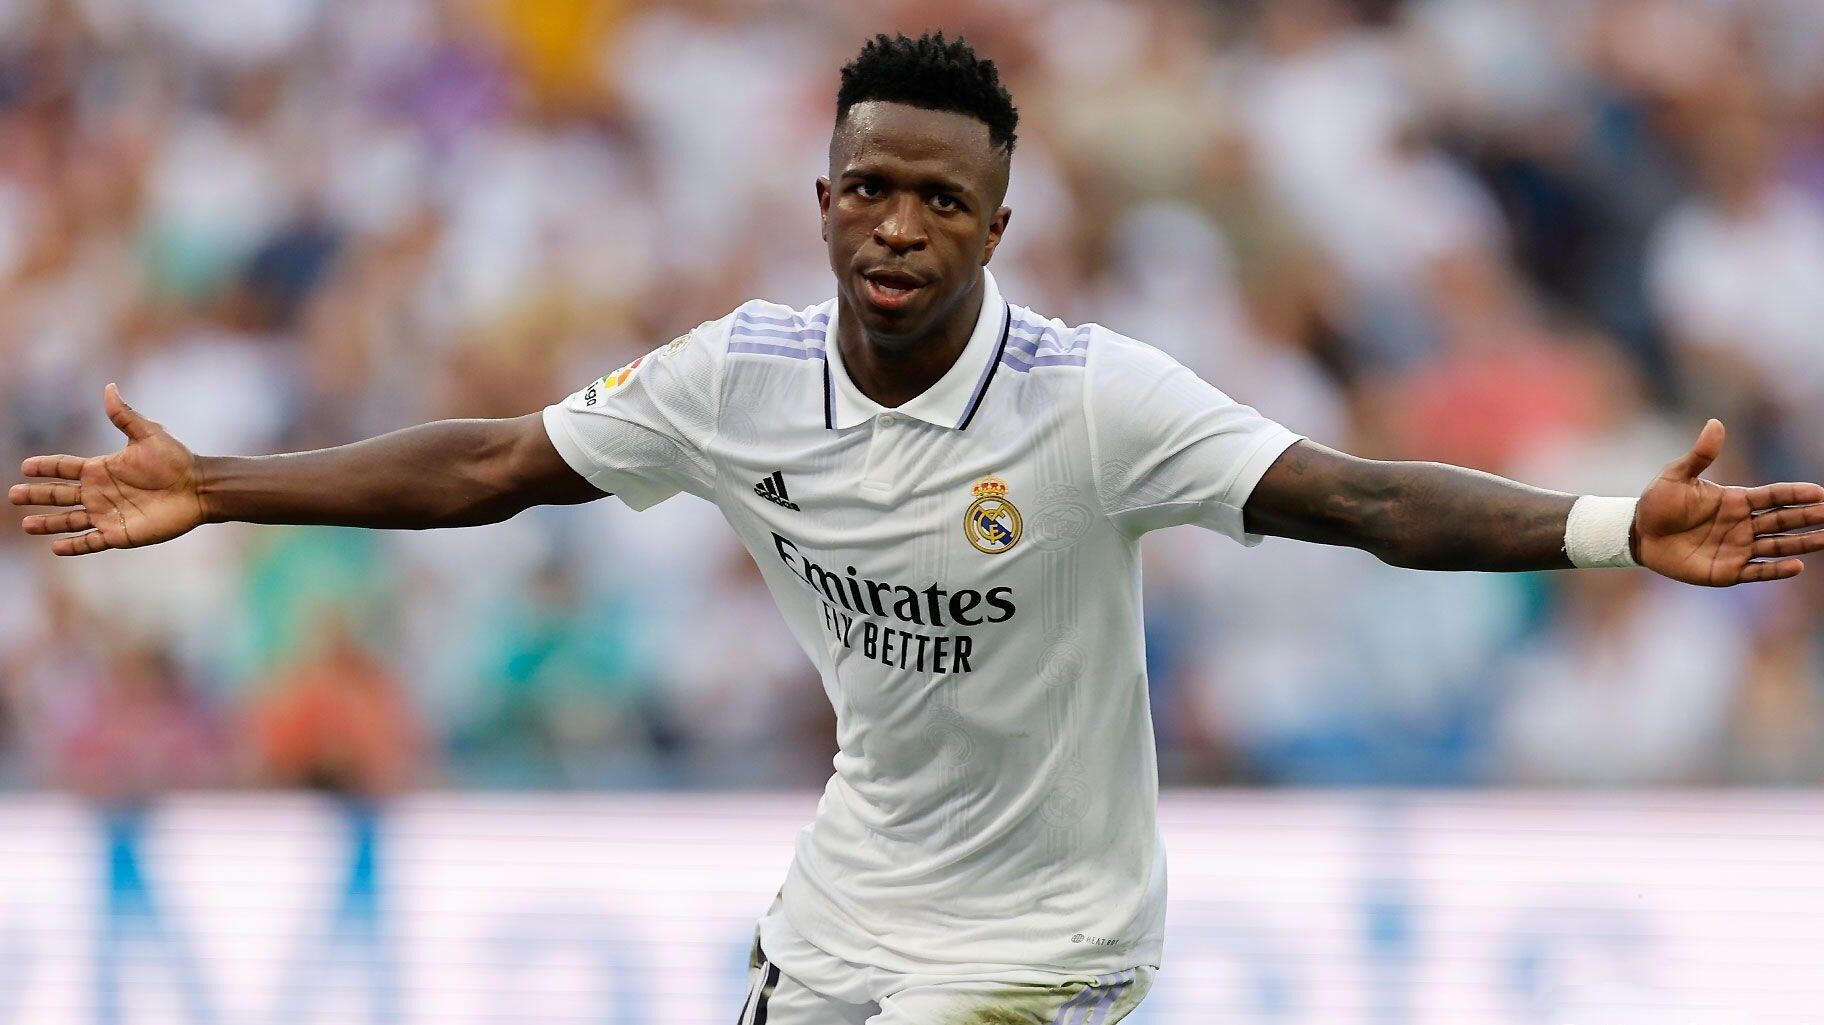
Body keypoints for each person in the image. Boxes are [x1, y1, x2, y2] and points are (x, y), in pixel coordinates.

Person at [11, 32, 1824, 1025]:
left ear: (997, 224)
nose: (899, 225)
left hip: (1052, 929)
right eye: (870, 186)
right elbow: (494, 463)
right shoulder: (736, 378)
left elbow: (1355, 497)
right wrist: (219, 484)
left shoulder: (1094, 401)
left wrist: (1612, 526)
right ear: (821, 199)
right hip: (852, 900)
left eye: (941, 200)